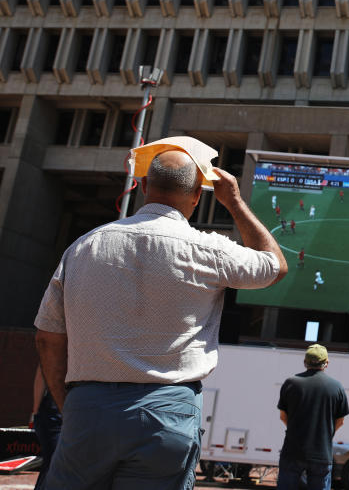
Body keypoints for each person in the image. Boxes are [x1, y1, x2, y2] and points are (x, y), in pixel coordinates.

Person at [34, 142, 287, 490]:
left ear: (141, 187)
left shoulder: (84, 246)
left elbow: (47, 338)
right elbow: (275, 266)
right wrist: (235, 202)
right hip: (168, 409)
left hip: (88, 406)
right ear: (198, 196)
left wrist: (70, 405)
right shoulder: (209, 248)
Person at [277, 345, 349, 490]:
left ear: (305, 362)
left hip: (292, 451)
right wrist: (325, 434)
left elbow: (283, 416)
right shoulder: (336, 387)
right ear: (326, 363)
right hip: (322, 452)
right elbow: (340, 421)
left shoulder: (291, 383)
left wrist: (295, 430)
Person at [31, 365, 61, 490]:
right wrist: (35, 411)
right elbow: (42, 372)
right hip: (54, 411)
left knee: (53, 463)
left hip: (57, 410)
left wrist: (35, 411)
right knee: (54, 463)